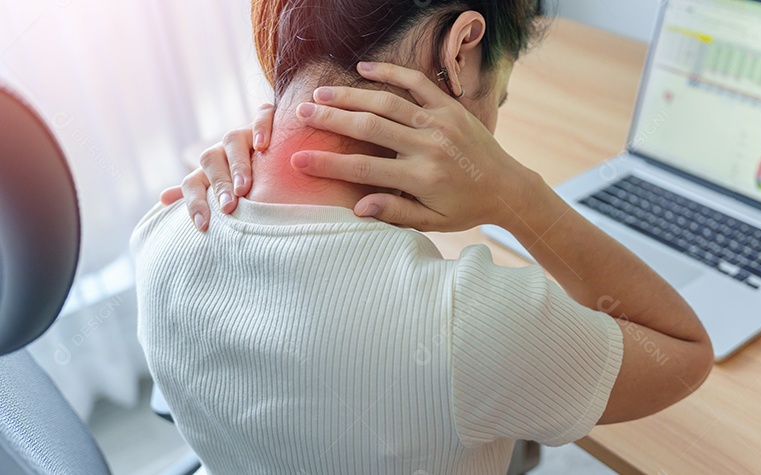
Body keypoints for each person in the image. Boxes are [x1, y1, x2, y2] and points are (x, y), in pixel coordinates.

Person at [138, 1, 714, 473]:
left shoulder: (163, 232)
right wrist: (515, 196)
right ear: (461, 49)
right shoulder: (466, 326)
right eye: (500, 95)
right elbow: (684, 351)